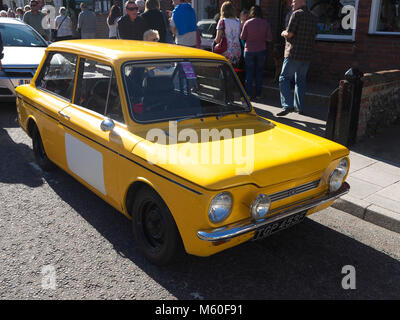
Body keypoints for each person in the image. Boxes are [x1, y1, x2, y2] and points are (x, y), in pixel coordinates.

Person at [277, 0, 318, 117]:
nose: (292, 4)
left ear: (301, 1)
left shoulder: (296, 14)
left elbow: (289, 34)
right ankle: (299, 107)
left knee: (284, 78)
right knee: (300, 81)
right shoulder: (313, 16)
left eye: (294, 1)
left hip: (293, 54)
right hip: (306, 55)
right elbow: (315, 35)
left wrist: (283, 33)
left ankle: (287, 105)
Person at [240, 5, 272, 99]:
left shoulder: (247, 23)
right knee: (259, 73)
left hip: (249, 50)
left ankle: (248, 94)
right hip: (261, 50)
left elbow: (242, 37)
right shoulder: (265, 23)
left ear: (251, 13)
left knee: (249, 73)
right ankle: (258, 94)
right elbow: (269, 39)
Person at [214, 1, 241, 66]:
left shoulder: (222, 21)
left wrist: (213, 44)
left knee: (223, 70)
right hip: (237, 51)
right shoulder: (238, 21)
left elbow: (217, 39)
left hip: (226, 50)